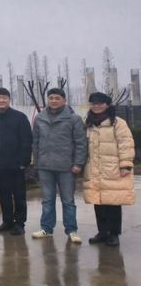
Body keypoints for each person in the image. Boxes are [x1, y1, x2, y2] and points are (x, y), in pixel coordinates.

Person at [31, 88, 87, 243]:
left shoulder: (73, 119)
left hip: (66, 167)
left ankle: (71, 230)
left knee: (68, 201)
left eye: (57, 98)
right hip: (45, 166)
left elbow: (81, 143)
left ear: (64, 100)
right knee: (47, 200)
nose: (54, 101)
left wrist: (78, 163)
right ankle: (46, 228)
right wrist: (37, 162)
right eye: (51, 98)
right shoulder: (40, 118)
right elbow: (35, 142)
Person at [83, 92, 135, 247]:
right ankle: (102, 232)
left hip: (112, 168)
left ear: (107, 104)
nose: (97, 106)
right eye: (94, 103)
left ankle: (114, 234)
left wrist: (125, 164)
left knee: (112, 202)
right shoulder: (88, 123)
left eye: (100, 103)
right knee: (98, 202)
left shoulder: (118, 123)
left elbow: (126, 143)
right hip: (94, 168)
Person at [0, 88, 33, 235]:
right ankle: (7, 221)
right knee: (3, 195)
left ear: (9, 99)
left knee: (19, 195)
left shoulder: (20, 117)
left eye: (4, 98)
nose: (1, 100)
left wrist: (24, 161)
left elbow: (27, 141)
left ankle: (20, 223)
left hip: (16, 164)